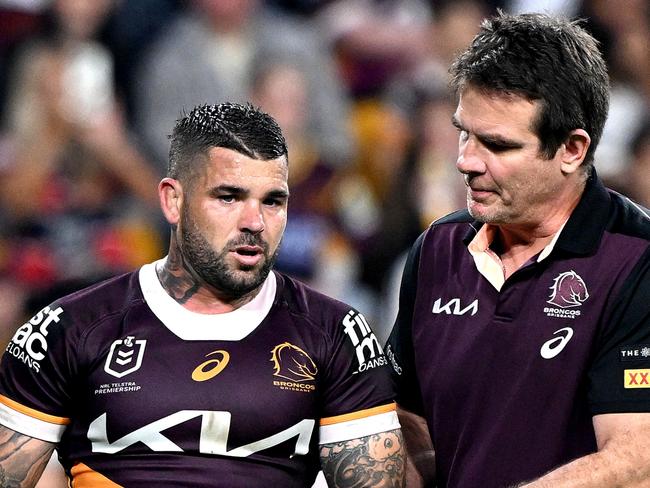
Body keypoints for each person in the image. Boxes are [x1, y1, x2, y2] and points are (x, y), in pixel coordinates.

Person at [0, 102, 405, 488]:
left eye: (273, 201)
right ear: (173, 200)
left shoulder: (337, 335)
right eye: (229, 197)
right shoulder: (68, 329)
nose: (255, 222)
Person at [385, 11, 650, 488]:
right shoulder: (436, 251)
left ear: (571, 149)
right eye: (464, 131)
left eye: (497, 145)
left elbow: (636, 462)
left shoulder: (636, 262)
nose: (465, 160)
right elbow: (406, 418)